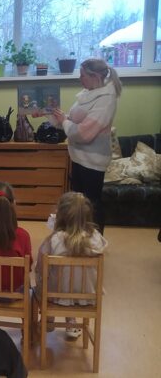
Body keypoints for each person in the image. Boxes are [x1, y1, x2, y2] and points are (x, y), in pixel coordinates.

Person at [52, 58, 122, 233]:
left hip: (92, 161)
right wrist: (52, 115)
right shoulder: (87, 93)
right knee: (78, 203)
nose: (80, 78)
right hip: (78, 157)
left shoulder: (106, 99)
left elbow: (83, 133)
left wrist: (64, 121)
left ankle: (94, 241)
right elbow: (72, 120)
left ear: (95, 76)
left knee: (91, 204)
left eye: (83, 75)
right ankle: (78, 238)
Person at [35, 192, 107, 340]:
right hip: (88, 297)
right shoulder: (96, 238)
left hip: (55, 296)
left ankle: (48, 318)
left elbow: (40, 268)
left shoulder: (54, 239)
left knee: (44, 280)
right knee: (74, 282)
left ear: (60, 215)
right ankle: (71, 322)